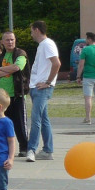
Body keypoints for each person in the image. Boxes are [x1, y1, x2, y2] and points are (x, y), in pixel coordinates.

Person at [0, 30, 29, 156]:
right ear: (2, 42)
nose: (10, 42)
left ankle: (24, 148)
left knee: (19, 123)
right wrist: (6, 70)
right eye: (7, 40)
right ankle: (0, 147)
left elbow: (17, 67)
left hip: (16, 95)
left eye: (12, 39)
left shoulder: (20, 54)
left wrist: (0, 70)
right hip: (0, 97)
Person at [26, 20, 61, 162]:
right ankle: (47, 150)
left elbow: (57, 63)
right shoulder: (43, 45)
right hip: (36, 87)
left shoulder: (47, 44)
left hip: (42, 89)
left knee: (36, 119)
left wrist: (48, 82)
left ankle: (31, 149)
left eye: (31, 31)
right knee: (43, 119)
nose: (31, 34)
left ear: (36, 30)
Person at [77, 32, 95, 124]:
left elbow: (81, 65)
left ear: (89, 39)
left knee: (88, 98)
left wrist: (78, 76)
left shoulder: (85, 50)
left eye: (86, 39)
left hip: (88, 76)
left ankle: (88, 118)